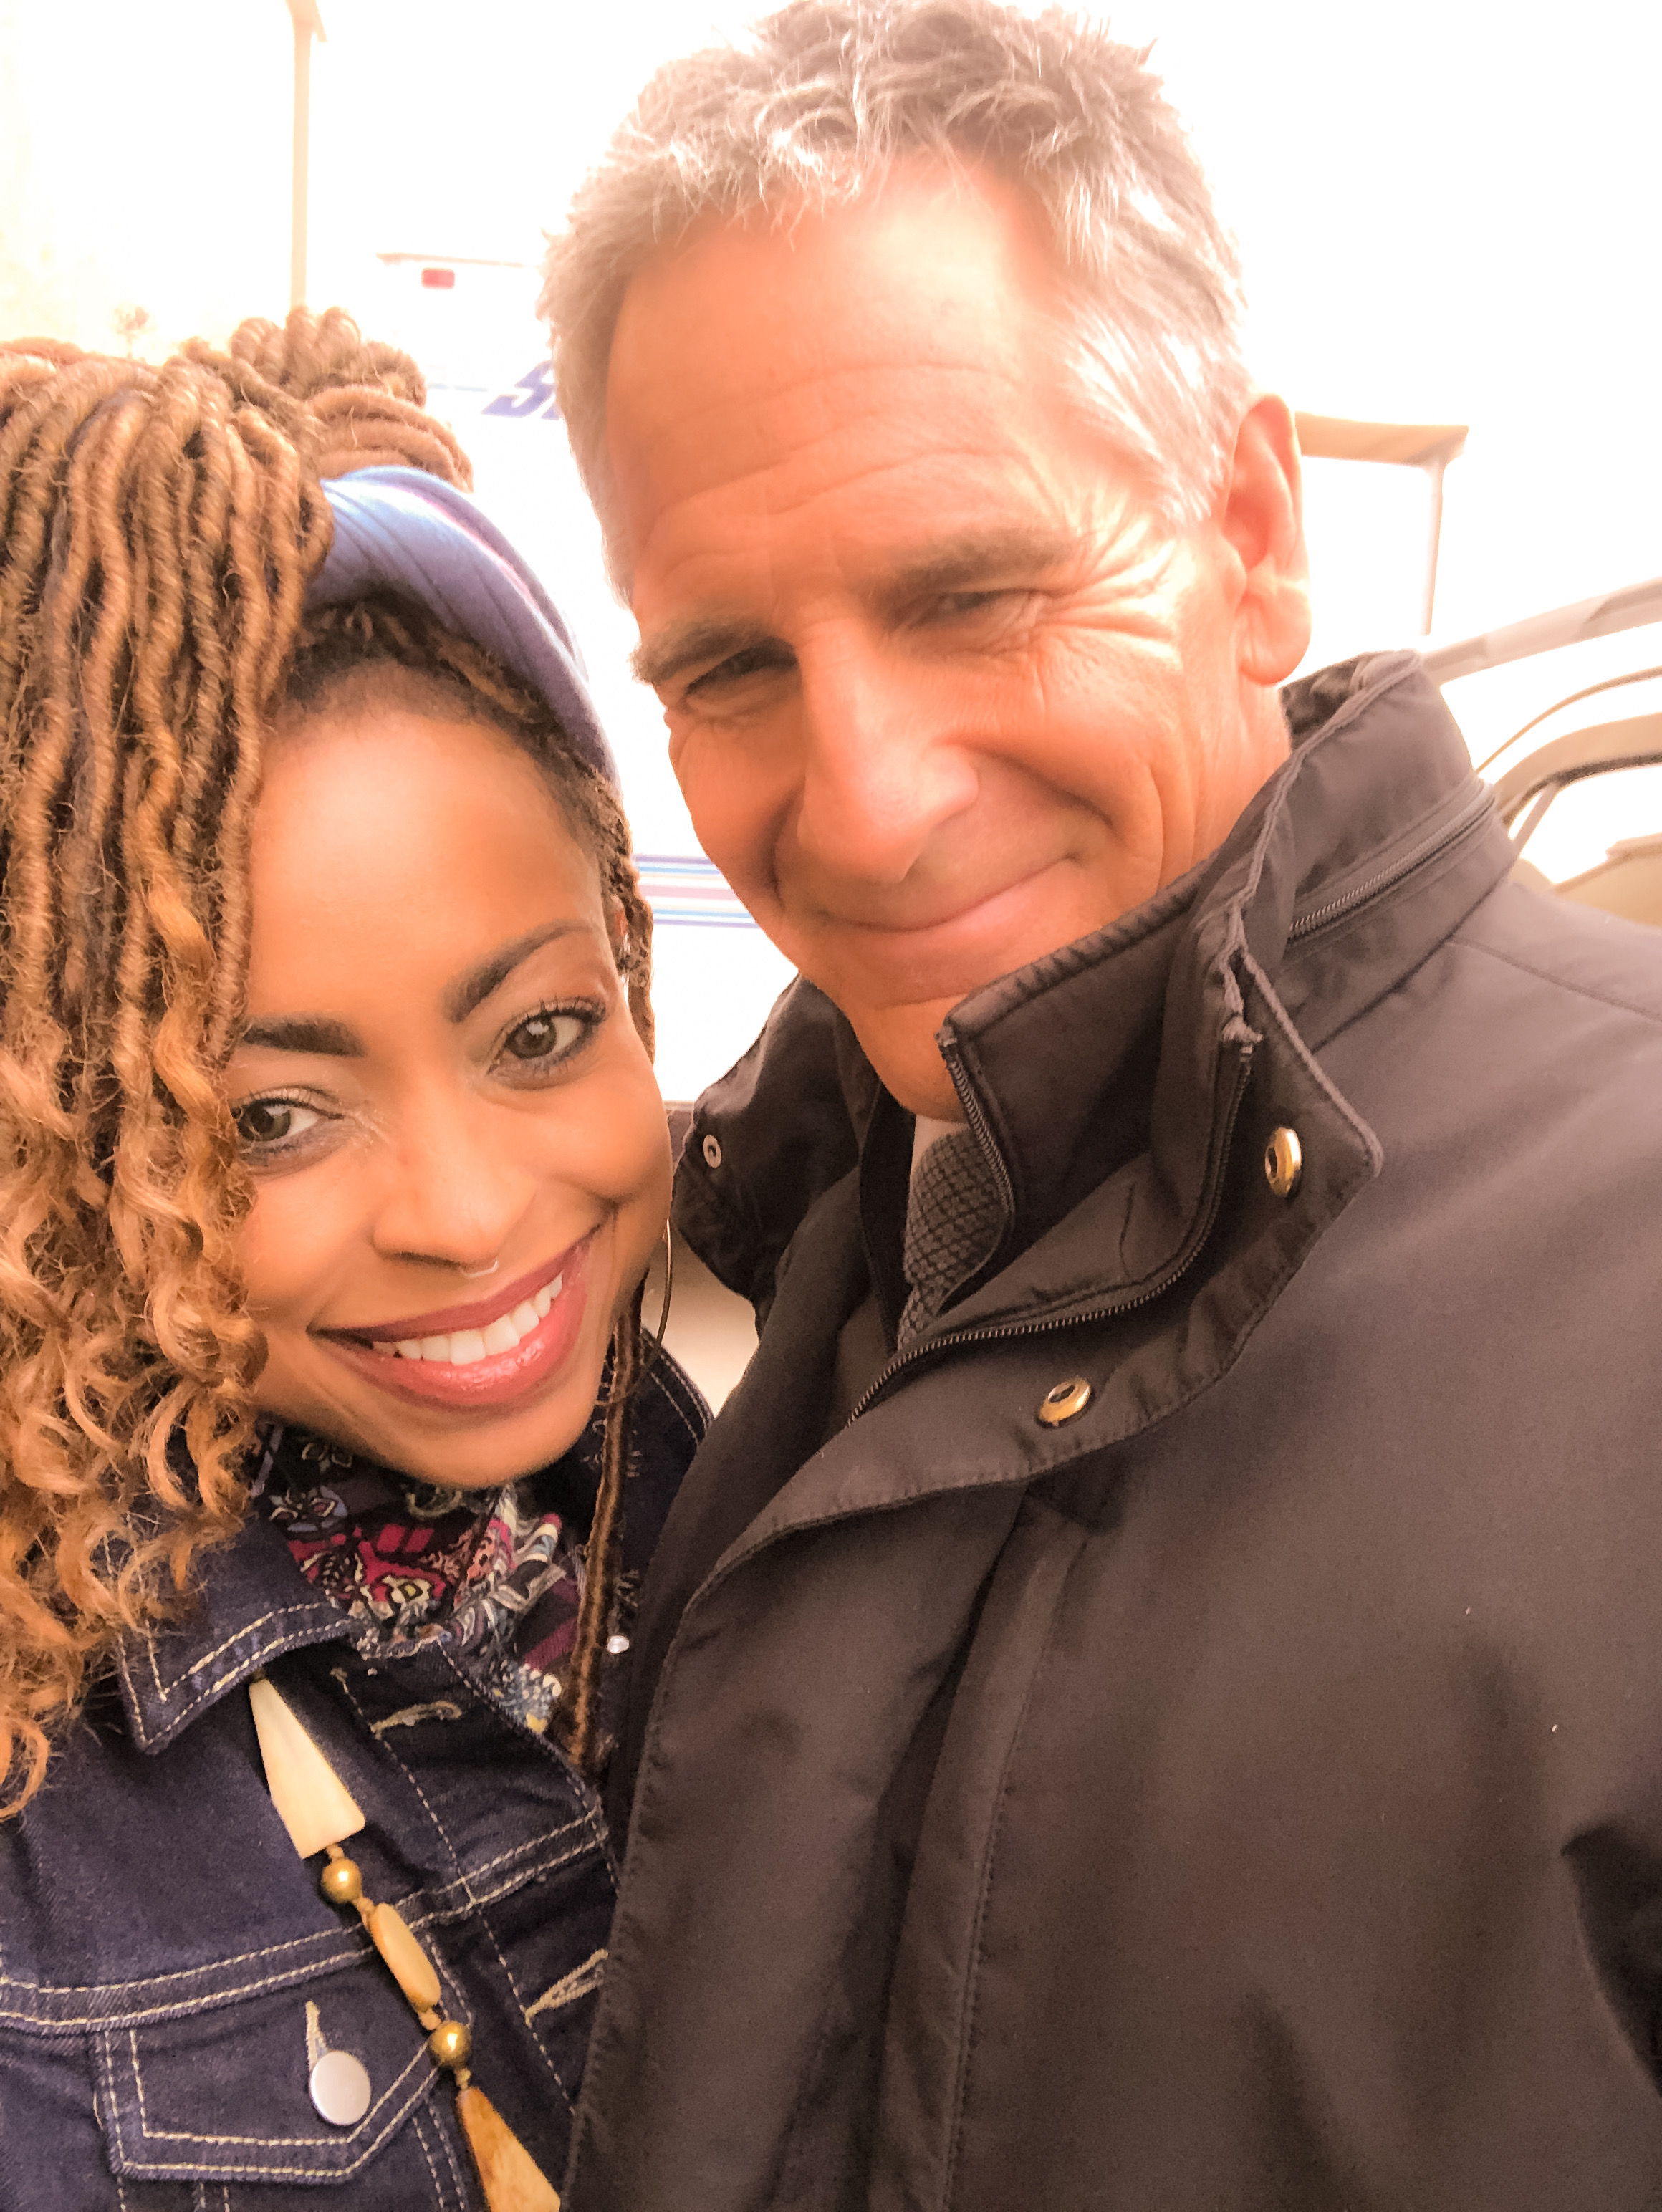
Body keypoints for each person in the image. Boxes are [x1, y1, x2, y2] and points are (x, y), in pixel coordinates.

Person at [539, 4, 1662, 2206]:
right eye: (732, 666)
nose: (864, 811)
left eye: (974, 596)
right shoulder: (831, 1221)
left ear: (1250, 532)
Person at [0, 309, 705, 2208]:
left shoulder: (731, 1471)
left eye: (539, 1032)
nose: (465, 1215)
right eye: (270, 1121)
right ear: (86, 1142)